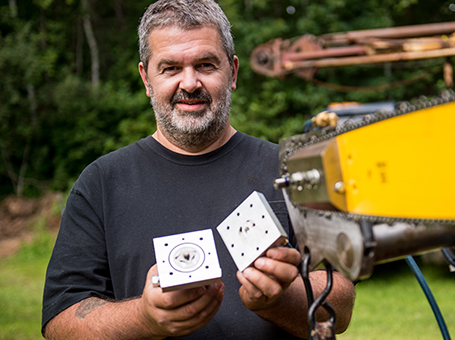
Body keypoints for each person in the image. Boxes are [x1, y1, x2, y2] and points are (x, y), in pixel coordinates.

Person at [41, 0, 355, 339]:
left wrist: (277, 300)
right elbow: (61, 321)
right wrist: (145, 318)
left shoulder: (293, 169)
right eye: (170, 68)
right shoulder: (102, 183)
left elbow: (342, 302)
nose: (189, 83)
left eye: (205, 65)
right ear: (147, 78)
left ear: (232, 72)